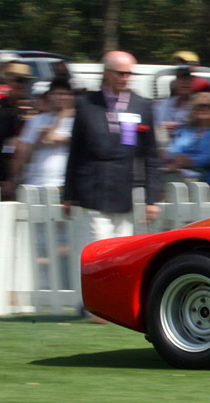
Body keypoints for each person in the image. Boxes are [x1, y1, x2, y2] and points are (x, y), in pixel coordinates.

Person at [63, 51, 161, 289]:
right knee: (96, 247)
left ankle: (112, 304)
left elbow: (150, 156)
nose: (126, 77)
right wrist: (68, 194)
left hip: (124, 190)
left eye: (130, 73)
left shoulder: (142, 105)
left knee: (120, 250)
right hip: (92, 188)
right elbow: (75, 151)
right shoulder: (86, 104)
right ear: (106, 73)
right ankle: (94, 306)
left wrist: (151, 198)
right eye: (121, 72)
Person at [14, 77, 74, 188]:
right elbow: (24, 154)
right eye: (58, 93)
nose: (62, 97)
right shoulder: (36, 120)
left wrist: (60, 117)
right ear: (50, 95)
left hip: (61, 184)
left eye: (67, 94)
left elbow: (49, 139)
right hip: (35, 183)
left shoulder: (76, 121)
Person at [162, 90, 210, 185]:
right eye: (200, 106)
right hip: (179, 172)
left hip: (207, 178)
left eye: (209, 106)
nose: (204, 109)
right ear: (192, 110)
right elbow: (173, 150)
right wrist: (174, 157)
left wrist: (190, 162)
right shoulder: (185, 130)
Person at [153, 65, 195, 138]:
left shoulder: (197, 105)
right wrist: (162, 126)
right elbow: (155, 122)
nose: (184, 83)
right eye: (181, 79)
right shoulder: (164, 104)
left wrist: (178, 127)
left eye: (187, 79)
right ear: (175, 82)